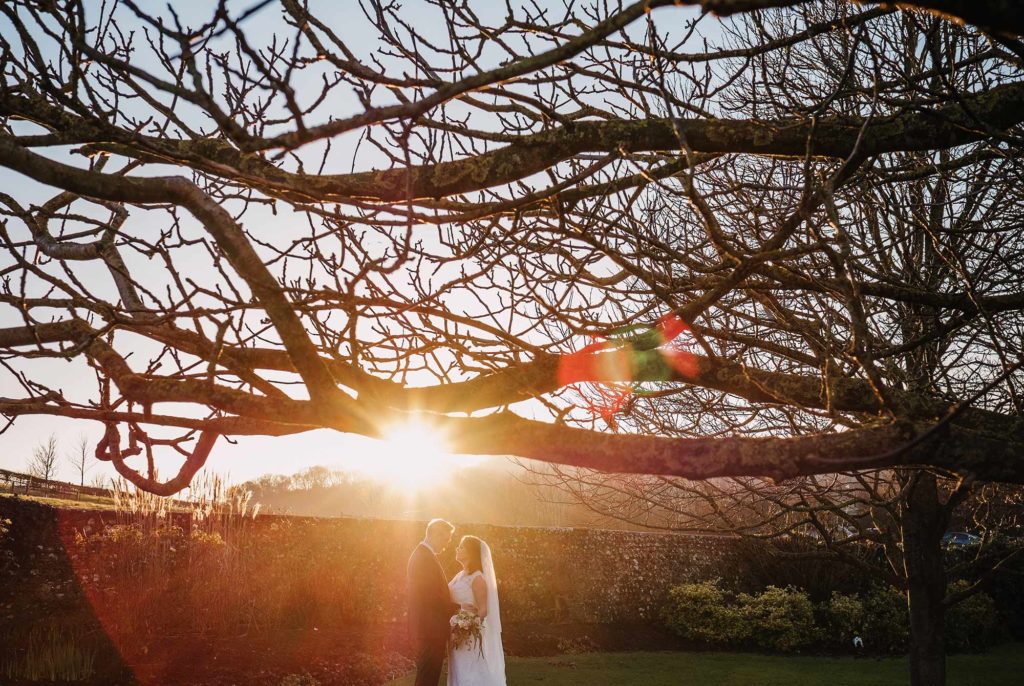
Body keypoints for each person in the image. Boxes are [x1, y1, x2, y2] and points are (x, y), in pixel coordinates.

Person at [447, 535, 506, 686]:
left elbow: (484, 610)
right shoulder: (459, 576)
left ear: (470, 553)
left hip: (469, 635)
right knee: (459, 670)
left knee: (471, 672)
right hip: (457, 633)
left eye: (461, 547)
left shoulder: (477, 578)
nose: (457, 549)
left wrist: (466, 626)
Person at [407, 519, 459, 686]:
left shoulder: (424, 554)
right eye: (446, 539)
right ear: (435, 534)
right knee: (427, 676)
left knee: (428, 675)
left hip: (429, 627)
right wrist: (459, 609)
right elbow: (430, 597)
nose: (447, 544)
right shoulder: (424, 557)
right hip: (430, 628)